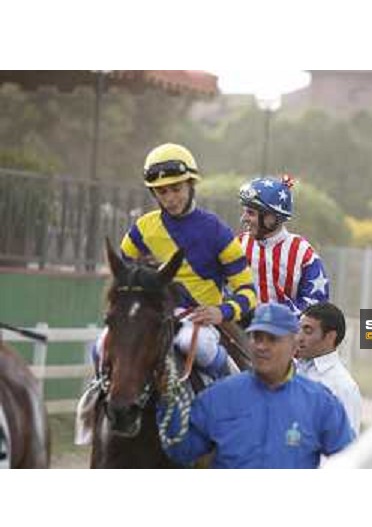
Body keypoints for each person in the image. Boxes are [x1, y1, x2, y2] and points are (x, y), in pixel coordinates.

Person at [98, 143, 257, 379]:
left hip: (201, 322)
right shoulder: (141, 231)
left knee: (196, 346)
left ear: (191, 184)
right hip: (153, 319)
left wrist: (221, 311)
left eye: (176, 188)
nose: (171, 198)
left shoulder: (217, 232)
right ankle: (95, 403)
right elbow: (124, 283)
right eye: (162, 192)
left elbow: (248, 293)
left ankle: (231, 389)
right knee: (99, 348)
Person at [156, 302, 355, 468]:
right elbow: (182, 452)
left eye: (272, 339)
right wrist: (168, 400)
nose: (262, 346)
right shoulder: (217, 397)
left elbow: (350, 461)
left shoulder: (320, 402)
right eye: (257, 337)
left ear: (293, 345)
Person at [238, 175, 329, 317]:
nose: (243, 218)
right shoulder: (237, 246)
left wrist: (280, 322)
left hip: (285, 335)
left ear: (272, 217)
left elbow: (316, 304)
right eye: (244, 211)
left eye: (250, 213)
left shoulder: (303, 252)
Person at [296, 302, 362, 435]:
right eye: (298, 329)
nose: (299, 337)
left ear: (330, 337)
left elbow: (348, 444)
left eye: (307, 331)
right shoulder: (292, 371)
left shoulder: (342, 386)